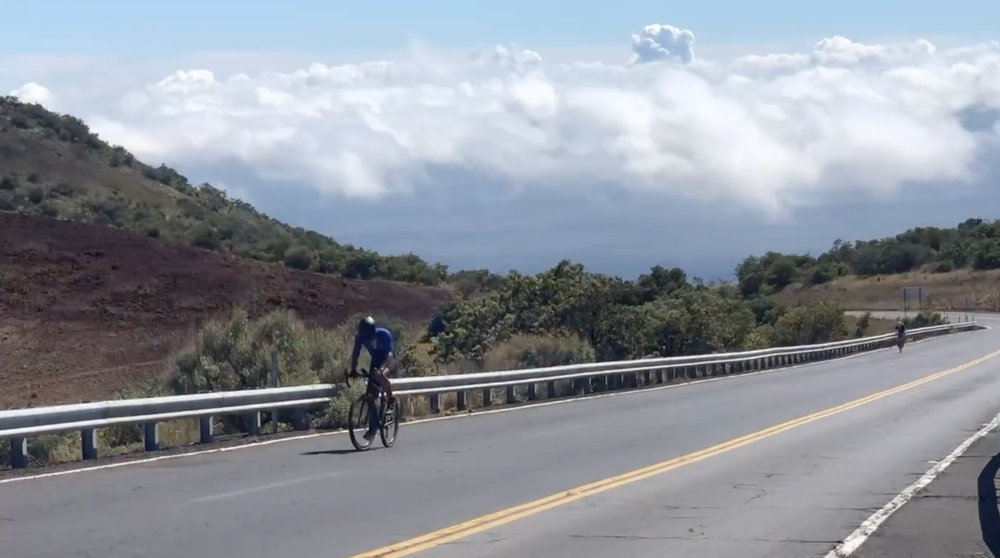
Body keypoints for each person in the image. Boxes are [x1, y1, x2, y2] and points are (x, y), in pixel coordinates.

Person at [349, 316, 398, 441]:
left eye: (367, 335)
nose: (366, 338)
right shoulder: (360, 337)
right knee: (370, 396)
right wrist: (353, 370)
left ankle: (391, 399)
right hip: (375, 363)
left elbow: (390, 355)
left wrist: (382, 370)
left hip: (389, 361)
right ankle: (373, 427)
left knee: (381, 376)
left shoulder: (384, 334)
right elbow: (356, 353)